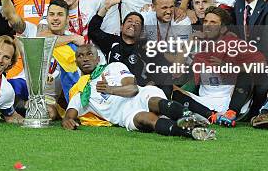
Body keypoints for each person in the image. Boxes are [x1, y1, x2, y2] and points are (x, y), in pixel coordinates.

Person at [61, 44, 216, 141]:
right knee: (147, 119)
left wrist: (110, 90)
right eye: (80, 56)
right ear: (76, 63)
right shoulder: (81, 92)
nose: (85, 58)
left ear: (97, 59)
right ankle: (191, 133)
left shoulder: (113, 67)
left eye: (89, 54)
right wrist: (67, 121)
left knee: (154, 102)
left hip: (140, 96)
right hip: (124, 115)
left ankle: (189, 117)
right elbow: (69, 115)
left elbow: (133, 89)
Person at [176, 6, 266, 127]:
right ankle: (211, 116)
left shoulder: (235, 44)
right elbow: (176, 72)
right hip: (203, 101)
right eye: (205, 21)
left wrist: (230, 67)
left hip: (230, 101)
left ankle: (230, 114)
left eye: (213, 22)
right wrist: (190, 42)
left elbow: (261, 63)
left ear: (223, 28)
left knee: (245, 75)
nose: (207, 25)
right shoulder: (198, 44)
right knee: (172, 90)